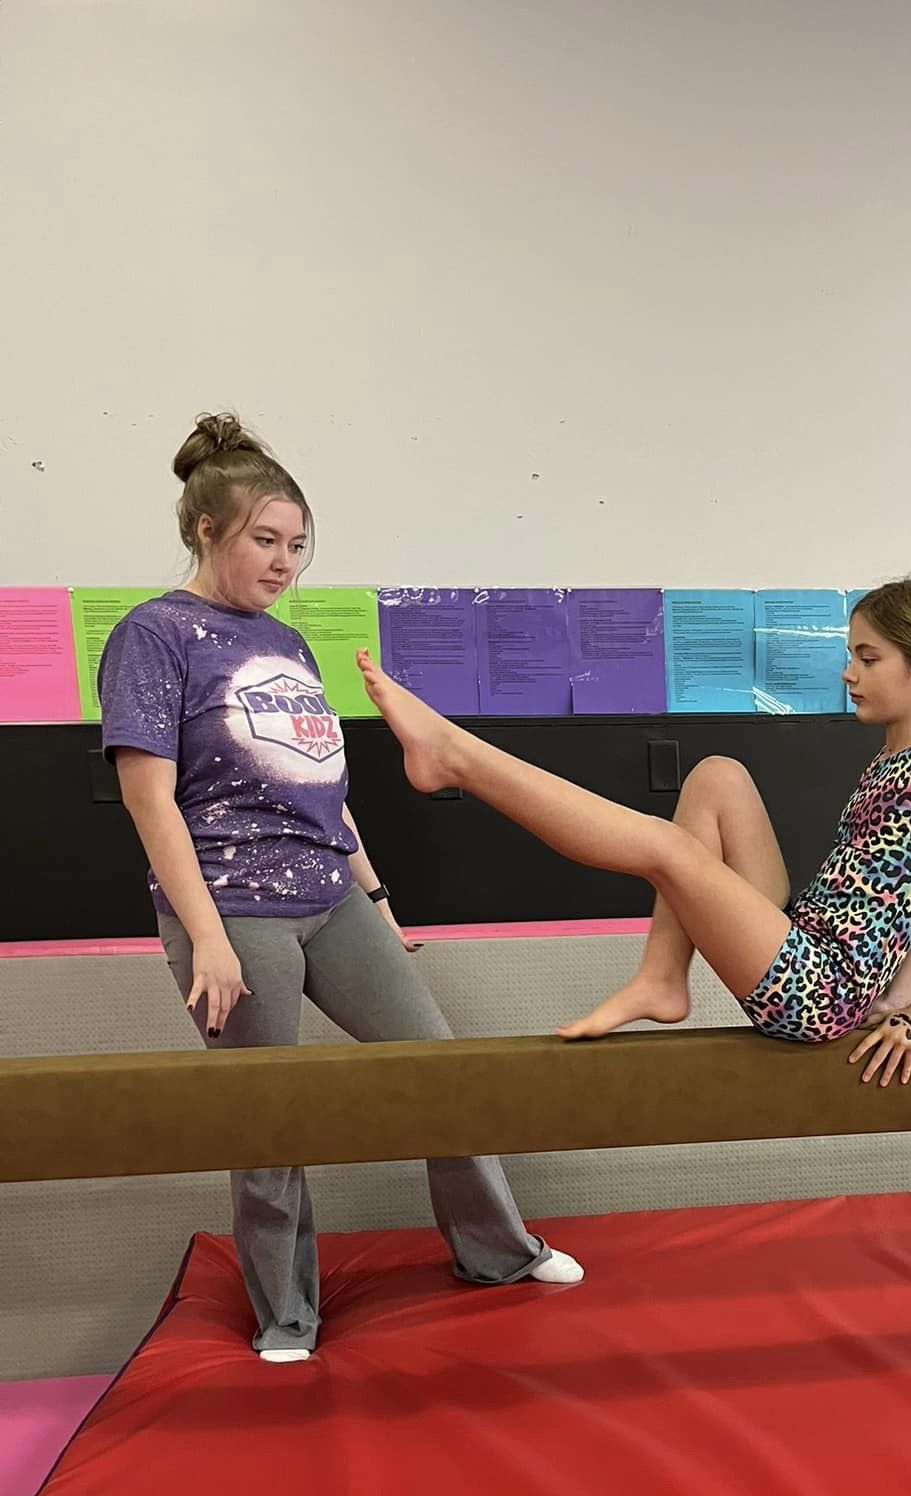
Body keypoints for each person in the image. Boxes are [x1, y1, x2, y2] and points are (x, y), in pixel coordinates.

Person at [98, 412, 582, 1364]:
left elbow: (325, 787)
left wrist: (380, 904)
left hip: (331, 894)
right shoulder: (154, 636)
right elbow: (150, 802)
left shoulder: (289, 643)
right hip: (231, 906)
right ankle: (286, 1313)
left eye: (298, 545)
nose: (286, 563)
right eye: (265, 542)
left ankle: (497, 1252)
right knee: (271, 1114)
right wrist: (210, 939)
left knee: (438, 1071)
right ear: (207, 530)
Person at [356, 574, 911, 1086]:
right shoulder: (894, 758)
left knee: (666, 849)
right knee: (717, 775)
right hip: (804, 943)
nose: (848, 674)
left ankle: (458, 758)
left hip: (819, 987)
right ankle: (663, 976)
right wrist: (894, 998)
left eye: (868, 659)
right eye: (851, 655)